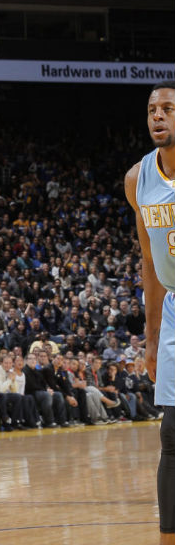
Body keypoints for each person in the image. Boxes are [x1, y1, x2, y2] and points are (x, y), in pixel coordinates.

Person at [124, 82, 175, 545]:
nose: (158, 116)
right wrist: (153, 335)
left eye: (168, 109)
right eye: (152, 110)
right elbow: (150, 261)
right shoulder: (137, 178)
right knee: (172, 436)